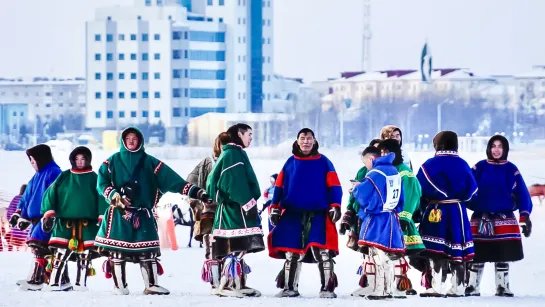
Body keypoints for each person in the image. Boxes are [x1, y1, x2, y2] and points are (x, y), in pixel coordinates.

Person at [94, 127, 212, 295]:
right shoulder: (111, 162)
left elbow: (174, 181)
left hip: (143, 214)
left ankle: (151, 284)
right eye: (128, 138)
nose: (132, 141)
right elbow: (102, 183)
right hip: (119, 213)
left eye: (135, 138)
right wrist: (116, 196)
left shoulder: (150, 162)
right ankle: (119, 285)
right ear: (123, 140)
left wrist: (197, 192)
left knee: (147, 253)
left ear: (140, 141)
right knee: (117, 253)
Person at [268, 128, 342, 298]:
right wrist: (275, 208)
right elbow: (279, 187)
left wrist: (335, 205)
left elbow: (334, 186)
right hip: (293, 213)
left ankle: (327, 288)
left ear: (315, 141)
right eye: (303, 138)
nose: (306, 142)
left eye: (309, 138)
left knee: (323, 251)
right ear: (297, 140)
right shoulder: (290, 162)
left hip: (319, 213)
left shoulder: (324, 162)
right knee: (291, 251)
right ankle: (289, 287)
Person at [465, 135, 532, 297]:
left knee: (503, 255)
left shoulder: (511, 170)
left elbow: (522, 193)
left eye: (500, 146)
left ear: (505, 149)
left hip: (504, 219)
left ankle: (502, 286)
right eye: (493, 146)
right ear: (489, 148)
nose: (496, 150)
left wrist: (524, 215)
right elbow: (468, 188)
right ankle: (472, 286)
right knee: (478, 255)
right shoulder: (479, 167)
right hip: (481, 218)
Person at [416, 131, 478, 297]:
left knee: (435, 250)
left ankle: (436, 287)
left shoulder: (429, 164)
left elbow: (419, 189)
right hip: (458, 212)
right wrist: (461, 200)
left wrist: (422, 209)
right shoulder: (463, 164)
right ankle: (457, 287)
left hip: (436, 211)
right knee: (457, 251)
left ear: (437, 145)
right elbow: (473, 191)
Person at [206, 123, 264, 297]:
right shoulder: (232, 155)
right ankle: (225, 285)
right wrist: (248, 204)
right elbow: (234, 183)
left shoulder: (232, 153)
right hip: (235, 210)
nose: (251, 139)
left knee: (239, 247)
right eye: (249, 135)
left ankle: (237, 284)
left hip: (234, 209)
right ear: (239, 134)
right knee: (237, 246)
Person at [40, 146, 107, 292]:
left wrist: (102, 218)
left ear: (88, 160)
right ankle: (54, 282)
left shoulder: (95, 178)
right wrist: (49, 214)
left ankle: (80, 284)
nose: (80, 161)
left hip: (87, 224)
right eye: (77, 159)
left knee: (84, 255)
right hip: (65, 222)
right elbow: (50, 193)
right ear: (72, 160)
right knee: (59, 253)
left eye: (83, 159)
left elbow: (102, 198)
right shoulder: (64, 176)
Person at [352, 146, 405, 300]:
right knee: (386, 254)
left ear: (371, 159)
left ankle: (379, 290)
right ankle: (388, 289)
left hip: (377, 218)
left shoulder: (374, 173)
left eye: (366, 163)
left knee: (377, 253)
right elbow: (401, 197)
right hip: (391, 216)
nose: (366, 167)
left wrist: (356, 188)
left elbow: (364, 195)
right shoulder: (395, 171)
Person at [9, 144, 62, 291]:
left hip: (47, 220)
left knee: (41, 247)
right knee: (42, 249)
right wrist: (19, 214)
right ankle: (58, 279)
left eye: (33, 160)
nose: (32, 163)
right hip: (36, 221)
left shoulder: (54, 173)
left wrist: (51, 214)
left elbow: (56, 197)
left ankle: (37, 280)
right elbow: (26, 198)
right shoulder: (37, 176)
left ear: (41, 158)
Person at [377, 139, 424, 298]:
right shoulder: (386, 170)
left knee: (398, 253)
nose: (384, 155)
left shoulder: (404, 172)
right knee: (385, 253)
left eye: (387, 152)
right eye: (381, 152)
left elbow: (412, 194)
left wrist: (404, 217)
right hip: (385, 219)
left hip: (399, 219)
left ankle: (400, 286)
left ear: (395, 153)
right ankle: (385, 286)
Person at [339, 139, 380, 297]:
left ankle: (384, 283)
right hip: (361, 216)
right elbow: (354, 195)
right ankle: (369, 282)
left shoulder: (388, 171)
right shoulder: (363, 171)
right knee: (365, 251)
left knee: (379, 251)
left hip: (377, 216)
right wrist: (348, 212)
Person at [4, 185, 28, 252]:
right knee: (22, 249)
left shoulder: (16, 198)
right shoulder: (28, 199)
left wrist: (11, 221)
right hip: (24, 231)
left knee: (15, 248)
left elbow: (9, 212)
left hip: (15, 231)